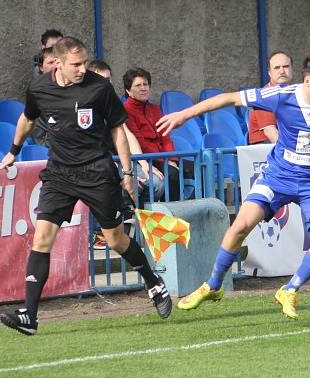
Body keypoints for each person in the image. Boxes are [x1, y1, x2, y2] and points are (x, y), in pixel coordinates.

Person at [157, 54, 310, 319]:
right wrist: (185, 114)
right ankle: (212, 285)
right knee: (239, 226)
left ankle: (290, 289)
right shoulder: (281, 96)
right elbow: (228, 98)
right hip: (277, 177)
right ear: (308, 81)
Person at [0, 37, 172, 335]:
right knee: (41, 239)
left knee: (116, 240)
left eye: (83, 63)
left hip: (97, 173)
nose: (82, 69)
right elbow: (28, 120)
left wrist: (128, 172)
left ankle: (153, 282)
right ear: (58, 63)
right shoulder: (40, 88)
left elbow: (118, 131)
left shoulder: (98, 87)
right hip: (59, 175)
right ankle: (30, 315)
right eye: (75, 65)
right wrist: (13, 151)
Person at [87, 60, 164, 202]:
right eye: (101, 79)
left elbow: (127, 134)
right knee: (130, 186)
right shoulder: (83, 103)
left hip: (118, 158)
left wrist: (144, 163)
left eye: (108, 79)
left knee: (156, 183)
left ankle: (140, 217)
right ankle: (127, 217)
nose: (106, 83)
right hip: (96, 163)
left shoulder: (112, 101)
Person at [123, 67, 187, 201]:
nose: (143, 88)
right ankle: (170, 215)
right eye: (138, 85)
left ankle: (200, 211)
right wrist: (164, 160)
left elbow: (165, 136)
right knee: (173, 174)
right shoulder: (126, 110)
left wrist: (172, 159)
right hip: (146, 158)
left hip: (163, 157)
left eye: (145, 84)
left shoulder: (155, 108)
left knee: (201, 169)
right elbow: (138, 141)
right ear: (128, 91)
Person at [248, 51, 293, 144]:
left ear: (292, 69)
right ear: (269, 73)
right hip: (264, 148)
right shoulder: (264, 96)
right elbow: (271, 132)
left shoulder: (294, 93)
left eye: (286, 66)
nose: (282, 71)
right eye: (277, 68)